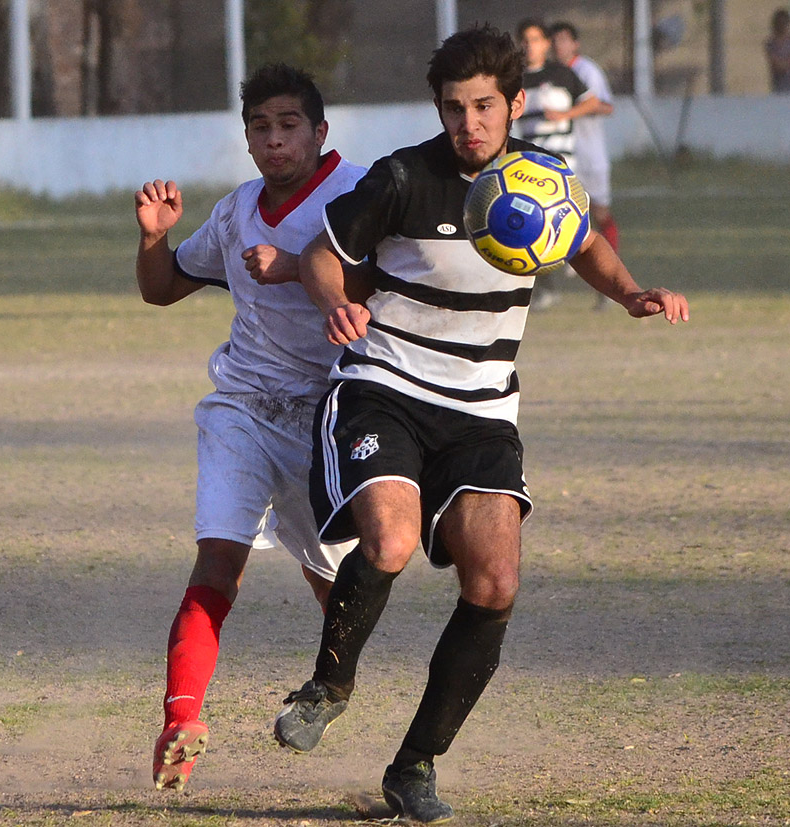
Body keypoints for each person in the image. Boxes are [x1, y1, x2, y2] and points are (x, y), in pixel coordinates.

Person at [271, 24, 689, 824]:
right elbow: (324, 257)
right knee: (389, 541)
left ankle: (415, 764)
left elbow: (584, 242)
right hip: (385, 385)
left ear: (516, 104)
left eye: (484, 106)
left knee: (494, 580)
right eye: (455, 107)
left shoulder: (545, 180)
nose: (469, 123)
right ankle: (329, 684)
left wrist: (631, 291)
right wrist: (338, 301)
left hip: (483, 409)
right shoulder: (401, 177)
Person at [133, 63, 365, 794]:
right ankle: (181, 720)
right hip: (240, 407)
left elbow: (392, 285)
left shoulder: (359, 195)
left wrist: (299, 268)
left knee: (341, 585)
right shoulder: (235, 212)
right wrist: (153, 239)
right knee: (216, 562)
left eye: (288, 124)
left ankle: (334, 686)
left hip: (325, 419)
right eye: (259, 127)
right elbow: (166, 287)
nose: (273, 140)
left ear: (319, 131)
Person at [514, 19, 612, 310]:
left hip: (563, 162)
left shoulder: (562, 73)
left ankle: (598, 282)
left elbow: (595, 103)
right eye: (525, 40)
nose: (529, 46)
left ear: (545, 43)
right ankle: (546, 287)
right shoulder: (514, 78)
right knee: (529, 225)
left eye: (535, 40)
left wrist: (565, 114)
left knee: (573, 221)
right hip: (529, 163)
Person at [549, 20, 621, 284]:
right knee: (560, 210)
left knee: (600, 212)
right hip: (562, 154)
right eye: (555, 40)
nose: (559, 45)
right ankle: (561, 271)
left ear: (575, 43)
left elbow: (605, 106)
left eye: (564, 40)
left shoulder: (586, 69)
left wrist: (567, 113)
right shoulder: (548, 73)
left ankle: (613, 273)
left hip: (590, 152)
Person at [764, 9, 790, 94]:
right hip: (780, 85)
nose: (782, 25)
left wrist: (786, 64)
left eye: (784, 23)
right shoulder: (771, 43)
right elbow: (776, 64)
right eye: (779, 23)